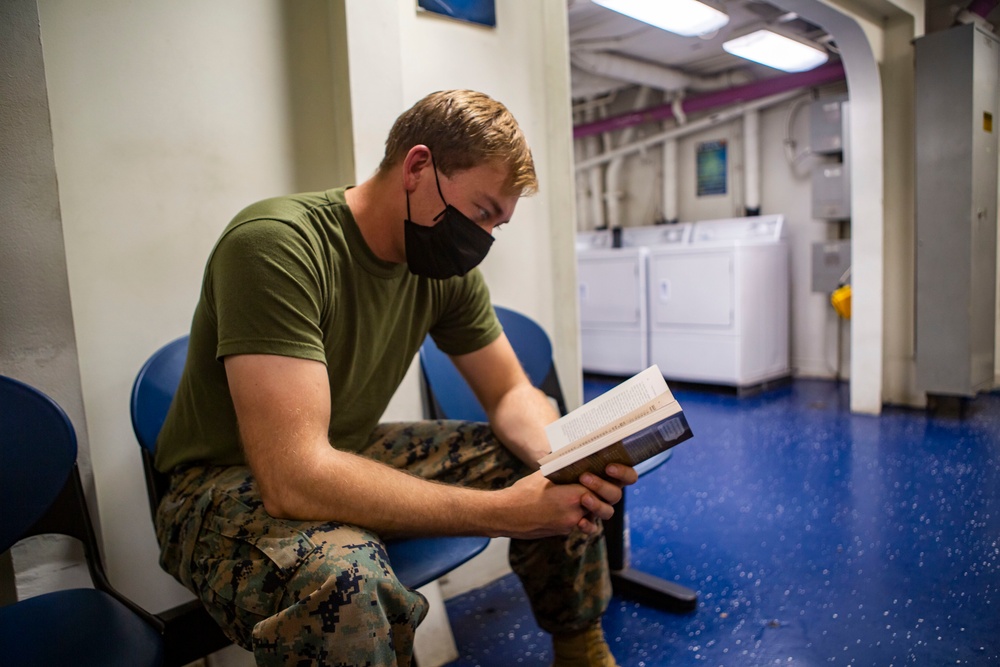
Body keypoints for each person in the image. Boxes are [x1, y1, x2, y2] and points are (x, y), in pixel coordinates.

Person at [154, 89, 638, 667]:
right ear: (417, 167)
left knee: (545, 467)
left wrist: (561, 456)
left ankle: (580, 647)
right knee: (344, 580)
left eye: (498, 225)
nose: (483, 238)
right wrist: (506, 512)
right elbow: (293, 478)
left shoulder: (440, 270)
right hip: (219, 486)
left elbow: (510, 392)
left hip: (343, 452)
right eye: (482, 212)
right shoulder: (277, 245)